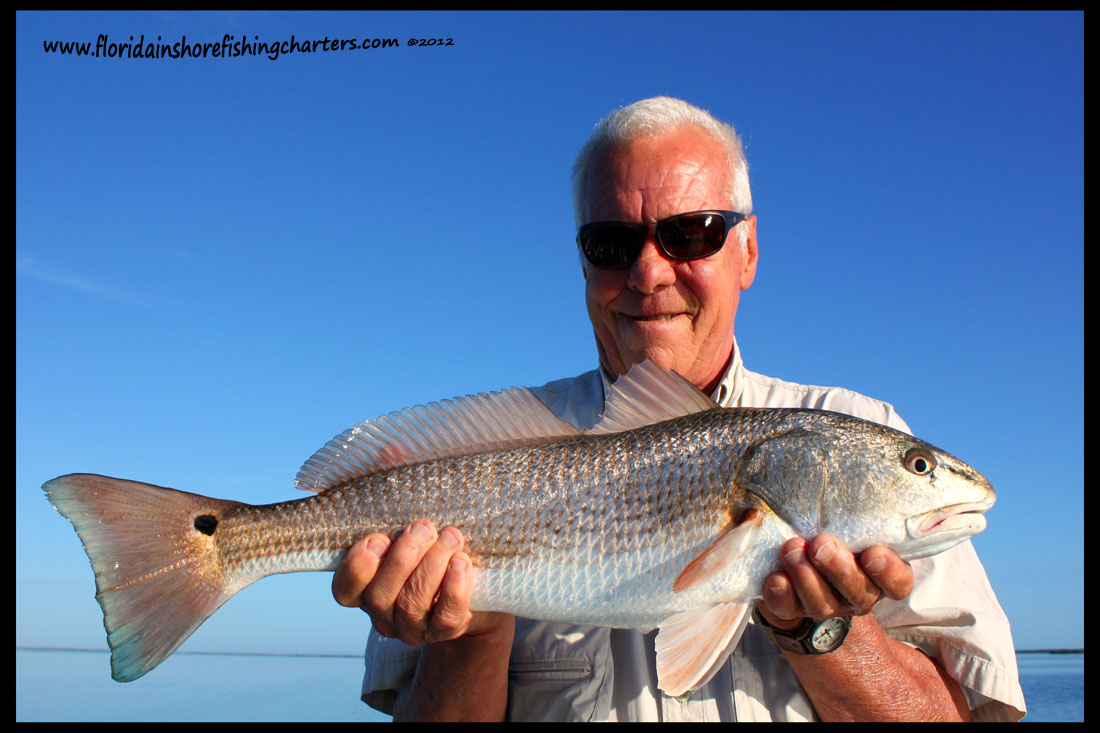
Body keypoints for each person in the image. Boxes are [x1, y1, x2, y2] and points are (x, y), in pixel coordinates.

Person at [332, 97, 1026, 722]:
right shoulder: (476, 464)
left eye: (690, 233)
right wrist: (470, 634)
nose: (649, 272)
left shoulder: (851, 417)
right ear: (582, 263)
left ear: (748, 249)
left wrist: (824, 632)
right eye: (611, 243)